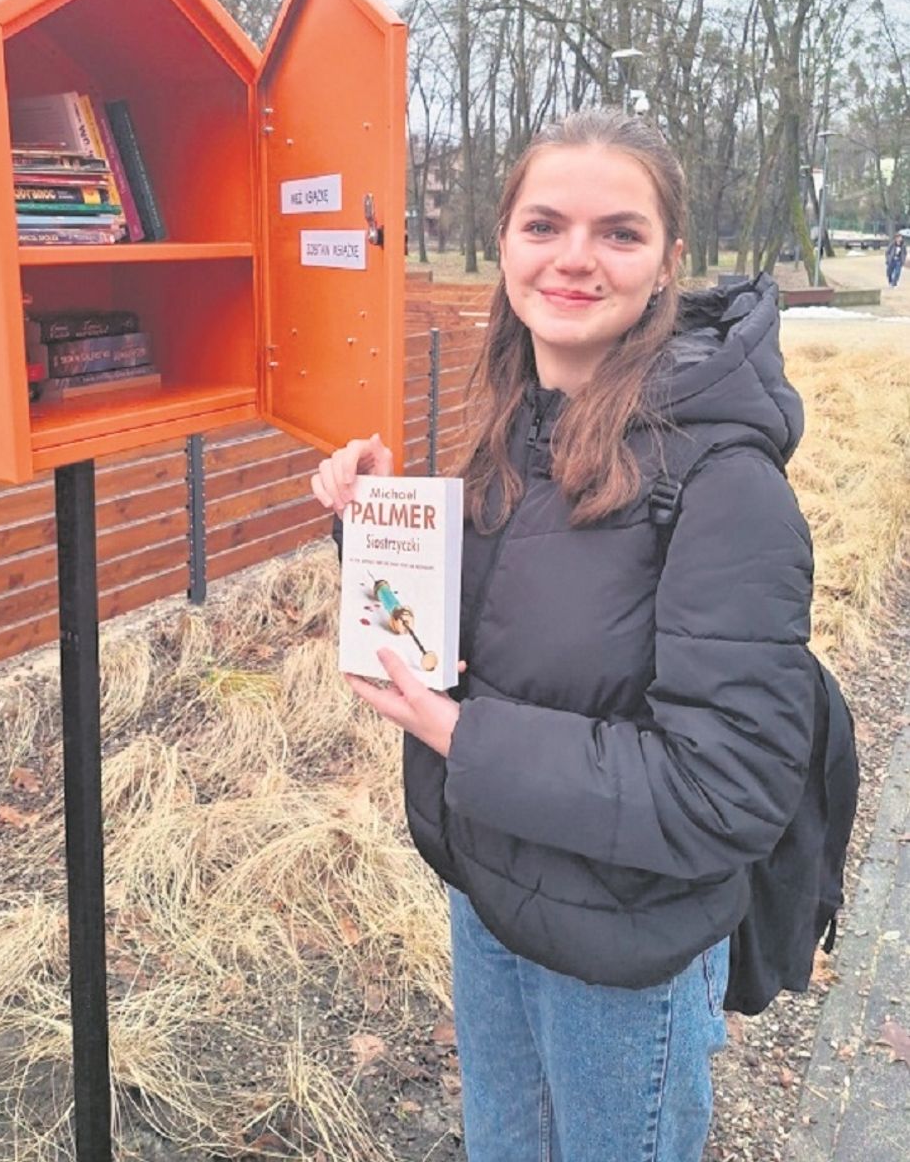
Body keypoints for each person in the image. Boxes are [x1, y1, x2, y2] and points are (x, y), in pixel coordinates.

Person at [310, 109, 816, 1162]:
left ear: (669, 260)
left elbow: (724, 790)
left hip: (623, 952)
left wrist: (463, 738)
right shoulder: (513, 428)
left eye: (620, 232)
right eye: (545, 224)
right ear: (504, 245)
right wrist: (372, 536)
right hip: (493, 897)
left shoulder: (726, 485)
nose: (576, 258)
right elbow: (491, 641)